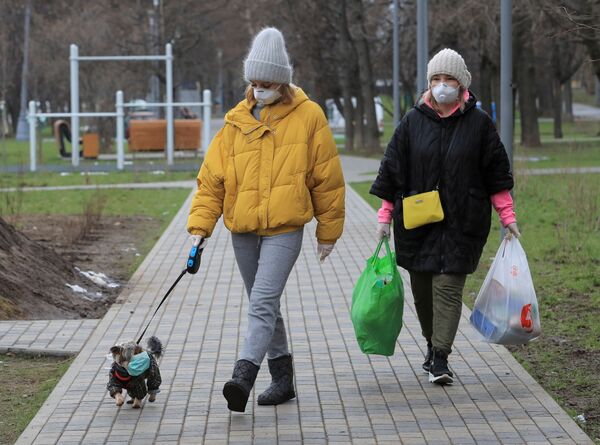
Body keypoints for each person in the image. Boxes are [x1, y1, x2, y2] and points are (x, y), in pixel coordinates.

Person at [187, 27, 345, 411]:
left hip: (285, 228)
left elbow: (326, 178)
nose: (259, 89)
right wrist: (199, 230)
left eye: (267, 82)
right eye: (254, 82)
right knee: (264, 303)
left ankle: (243, 375)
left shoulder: (309, 116)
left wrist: (329, 231)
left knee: (261, 301)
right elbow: (211, 182)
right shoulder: (235, 122)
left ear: (283, 81)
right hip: (242, 229)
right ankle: (283, 379)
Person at [370, 48, 520, 385]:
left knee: (448, 289)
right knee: (423, 294)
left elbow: (496, 174)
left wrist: (507, 216)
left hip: (463, 222)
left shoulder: (480, 124)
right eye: (436, 79)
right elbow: (392, 170)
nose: (441, 85)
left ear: (462, 84)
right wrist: (384, 217)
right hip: (418, 224)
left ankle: (441, 357)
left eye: (448, 79)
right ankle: (430, 343)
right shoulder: (411, 122)